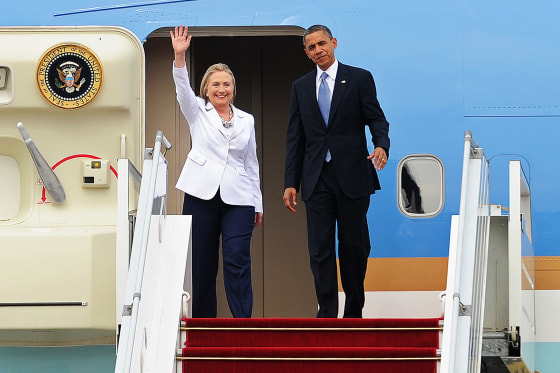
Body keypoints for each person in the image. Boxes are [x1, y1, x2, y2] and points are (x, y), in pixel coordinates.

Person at [283, 24, 390, 318]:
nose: (318, 50)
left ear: (334, 43)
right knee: (320, 250)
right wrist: (290, 182)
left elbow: (377, 120)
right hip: (316, 178)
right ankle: (327, 312)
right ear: (306, 53)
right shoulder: (301, 87)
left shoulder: (358, 78)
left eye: (322, 44)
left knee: (355, 246)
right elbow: (295, 138)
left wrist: (381, 145)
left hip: (353, 175)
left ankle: (354, 311)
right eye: (312, 47)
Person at [170, 25, 263, 318]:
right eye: (215, 85)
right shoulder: (197, 111)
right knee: (202, 263)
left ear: (233, 88)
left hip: (239, 198)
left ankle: (242, 323)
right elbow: (181, 89)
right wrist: (179, 57)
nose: (221, 89)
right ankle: (204, 323)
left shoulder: (247, 120)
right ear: (206, 90)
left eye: (226, 84)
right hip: (201, 193)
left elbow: (251, 163)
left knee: (238, 259)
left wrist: (257, 202)